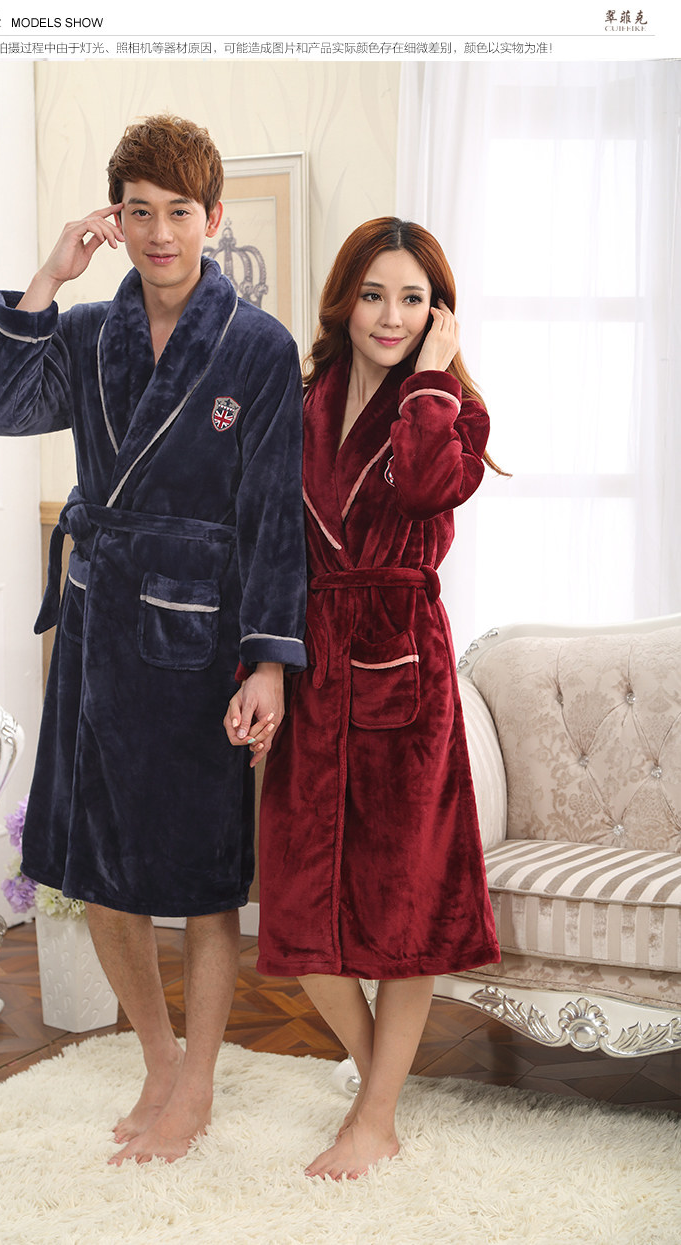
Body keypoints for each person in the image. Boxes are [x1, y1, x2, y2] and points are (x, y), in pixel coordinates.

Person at [0, 115, 307, 1165]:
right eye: (139, 212)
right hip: (95, 629)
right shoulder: (85, 332)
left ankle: (197, 1081)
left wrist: (267, 663)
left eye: (179, 212)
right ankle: (157, 1058)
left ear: (212, 217)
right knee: (94, 870)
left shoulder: (258, 347)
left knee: (201, 880)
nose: (160, 234)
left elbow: (273, 518)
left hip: (198, 641)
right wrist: (47, 276)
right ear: (116, 218)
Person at [227, 217, 502, 1180]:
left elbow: (424, 488)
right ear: (344, 300)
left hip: (402, 670)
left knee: (403, 912)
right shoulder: (300, 401)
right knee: (299, 915)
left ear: (438, 315)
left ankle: (374, 1115)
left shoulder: (454, 414)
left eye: (413, 299)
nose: (390, 315)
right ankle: (379, 1089)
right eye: (374, 294)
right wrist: (259, 662)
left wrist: (430, 378)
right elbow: (264, 535)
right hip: (311, 668)